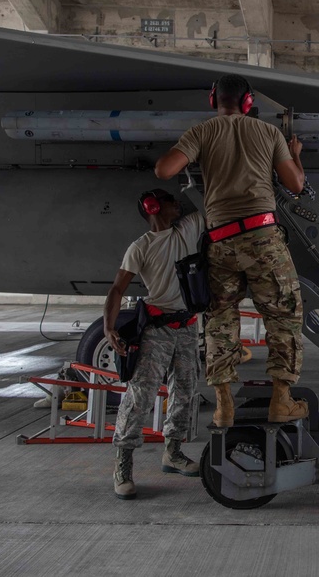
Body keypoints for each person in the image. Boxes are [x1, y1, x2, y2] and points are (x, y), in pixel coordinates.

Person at [154, 73, 308, 428]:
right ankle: (281, 401)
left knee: (220, 321)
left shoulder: (202, 132)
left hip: (220, 240)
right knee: (284, 316)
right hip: (262, 237)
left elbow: (164, 170)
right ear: (249, 103)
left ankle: (224, 407)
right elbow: (295, 185)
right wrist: (296, 155)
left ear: (214, 101)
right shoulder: (269, 133)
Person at [104, 189, 204, 500]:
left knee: (186, 391)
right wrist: (109, 327)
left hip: (187, 326)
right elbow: (117, 289)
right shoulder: (140, 247)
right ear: (153, 207)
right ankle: (123, 465)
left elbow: (210, 205)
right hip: (158, 330)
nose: (179, 206)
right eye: (173, 202)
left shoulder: (186, 230)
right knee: (140, 396)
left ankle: (173, 453)